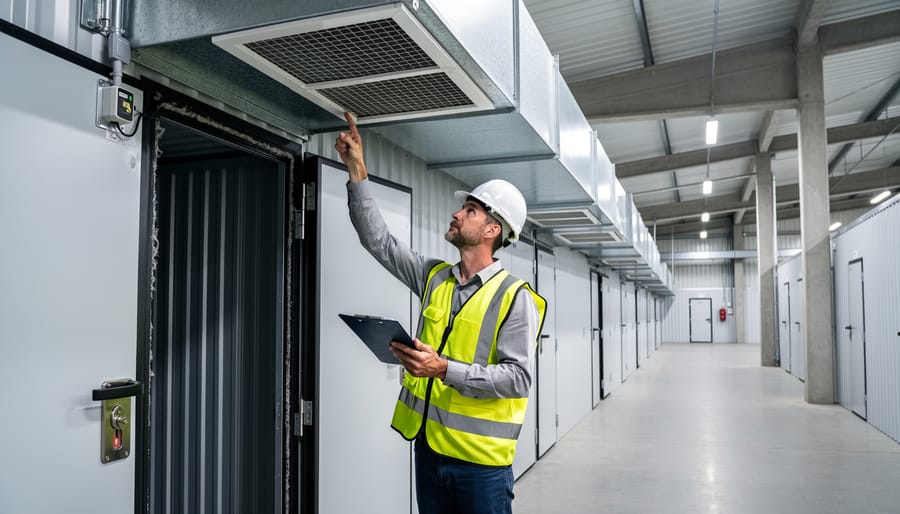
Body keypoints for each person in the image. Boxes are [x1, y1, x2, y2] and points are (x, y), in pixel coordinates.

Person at [335, 112, 547, 514]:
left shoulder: (514, 296)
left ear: (491, 230)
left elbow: (519, 379)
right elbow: (378, 241)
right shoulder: (435, 277)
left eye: (469, 210)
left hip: (481, 465)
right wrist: (357, 171)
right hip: (429, 450)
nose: (456, 214)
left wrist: (442, 368)